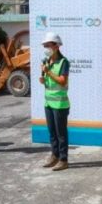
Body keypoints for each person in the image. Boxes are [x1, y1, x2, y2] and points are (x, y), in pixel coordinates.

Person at [39, 32, 70, 171]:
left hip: (60, 104)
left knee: (61, 134)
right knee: (52, 132)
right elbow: (50, 82)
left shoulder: (64, 62)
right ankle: (54, 155)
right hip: (49, 103)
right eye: (44, 45)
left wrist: (49, 73)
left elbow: (63, 82)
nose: (46, 48)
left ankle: (63, 160)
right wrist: (43, 80)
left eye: (48, 45)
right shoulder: (46, 61)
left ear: (56, 46)